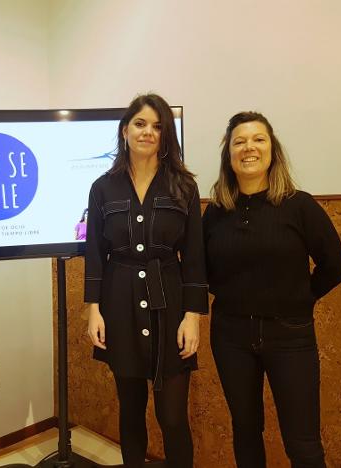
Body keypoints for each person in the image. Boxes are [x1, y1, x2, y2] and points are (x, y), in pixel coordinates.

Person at [202, 111, 341, 468]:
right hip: (230, 336)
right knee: (246, 432)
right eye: (239, 141)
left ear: (272, 150)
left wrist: (301, 298)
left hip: (290, 336)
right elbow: (200, 272)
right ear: (229, 155)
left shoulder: (299, 205)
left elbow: (336, 265)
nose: (248, 147)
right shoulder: (216, 214)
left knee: (302, 444)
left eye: (258, 139)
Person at [84, 94, 208, 467]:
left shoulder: (184, 187)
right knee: (131, 410)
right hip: (118, 303)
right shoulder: (103, 187)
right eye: (140, 123)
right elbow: (94, 253)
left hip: (170, 304)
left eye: (157, 126)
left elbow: (196, 258)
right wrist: (94, 309)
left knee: (172, 417)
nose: (148, 132)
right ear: (125, 131)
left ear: (166, 135)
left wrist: (193, 316)